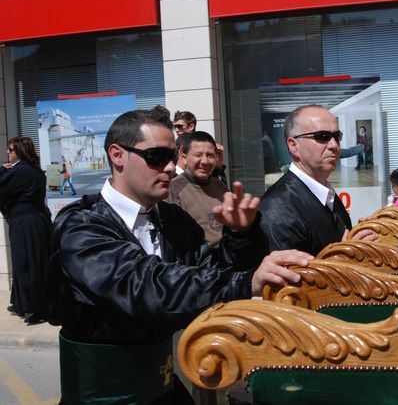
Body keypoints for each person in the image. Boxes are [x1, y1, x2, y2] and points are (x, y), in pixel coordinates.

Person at [48, 109, 311, 404]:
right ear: (117, 155)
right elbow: (147, 287)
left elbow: (210, 273)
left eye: (173, 156)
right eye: (157, 157)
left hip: (163, 387)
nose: (171, 168)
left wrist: (239, 236)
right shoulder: (81, 227)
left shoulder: (172, 220)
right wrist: (247, 281)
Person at [258, 104, 376, 256]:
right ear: (293, 145)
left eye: (337, 136)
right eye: (322, 137)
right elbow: (291, 278)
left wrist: (358, 239)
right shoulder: (276, 210)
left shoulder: (325, 195)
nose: (334, 145)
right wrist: (347, 255)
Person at [0, 137, 51, 325]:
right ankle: (24, 302)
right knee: (34, 264)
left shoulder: (20, 172)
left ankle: (37, 308)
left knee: (27, 265)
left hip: (25, 225)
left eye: (10, 150)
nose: (8, 153)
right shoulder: (35, 171)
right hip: (36, 222)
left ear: (19, 152)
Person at [167, 131, 228, 248]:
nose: (204, 161)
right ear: (184, 156)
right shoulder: (173, 190)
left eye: (210, 155)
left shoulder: (220, 186)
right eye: (198, 155)